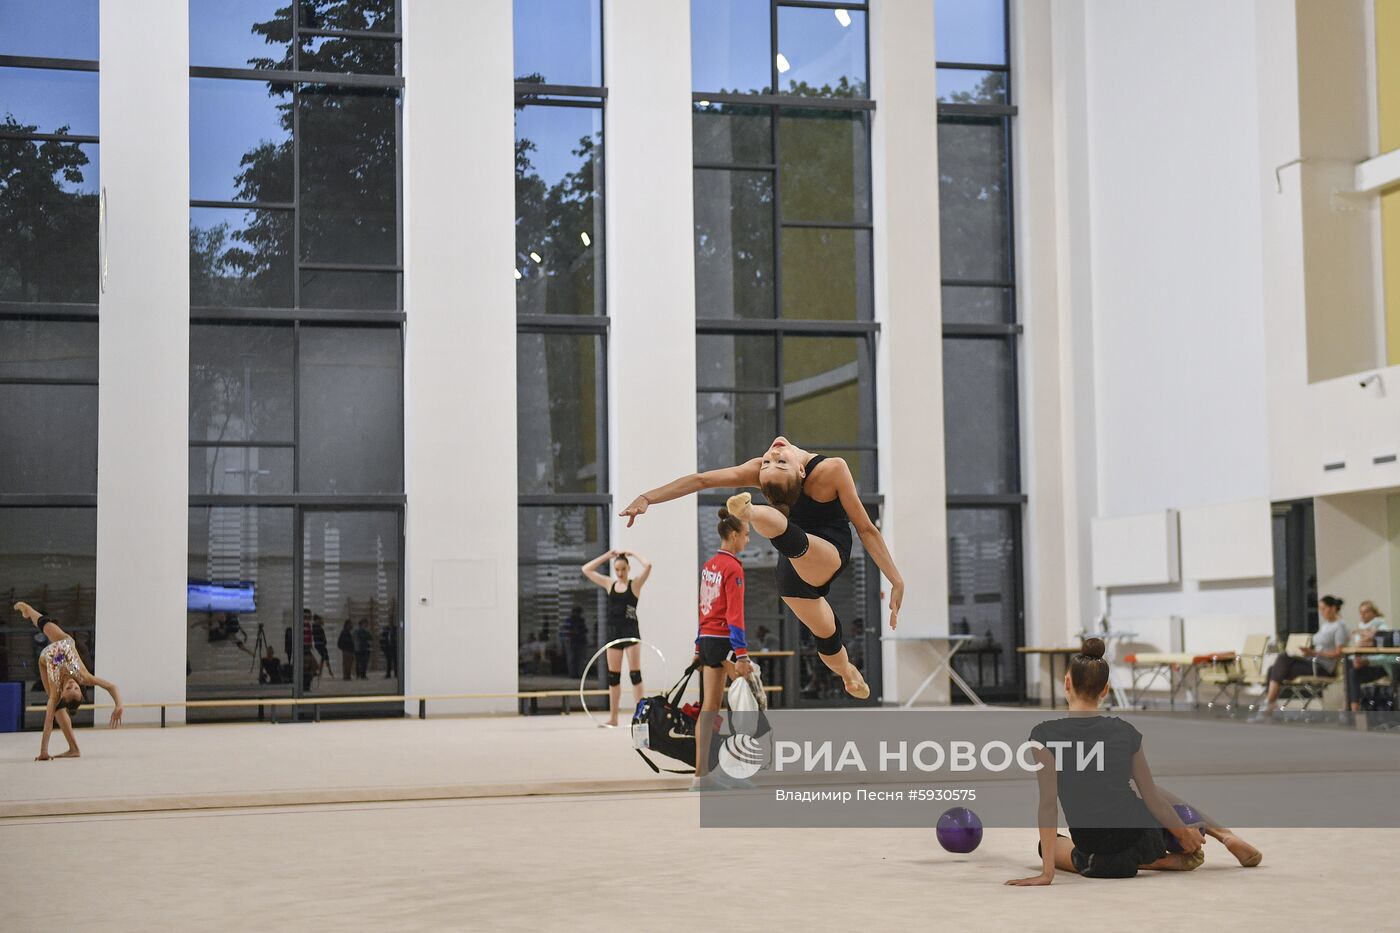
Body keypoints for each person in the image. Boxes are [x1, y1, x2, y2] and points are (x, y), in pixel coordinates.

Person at [621, 436, 904, 699]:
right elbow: (702, 480)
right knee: (827, 637)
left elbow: (866, 529)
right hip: (791, 569)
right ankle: (847, 672)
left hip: (827, 552)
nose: (772, 455)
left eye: (777, 462)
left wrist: (895, 579)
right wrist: (648, 498)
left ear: (802, 473)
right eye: (770, 462)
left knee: (792, 535)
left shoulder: (832, 470)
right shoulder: (763, 468)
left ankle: (751, 513)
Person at [1006, 638, 1261, 885]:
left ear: (1066, 683)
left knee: (1048, 846)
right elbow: (1152, 799)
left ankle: (1162, 862)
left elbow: (1048, 805)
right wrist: (1182, 832)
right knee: (1145, 788)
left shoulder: (1044, 735)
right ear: (1105, 690)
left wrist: (1047, 874)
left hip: (1099, 856)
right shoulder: (1124, 731)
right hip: (1145, 837)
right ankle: (1224, 835)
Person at [691, 507, 753, 790]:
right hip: (724, 640)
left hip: (707, 639)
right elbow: (735, 615)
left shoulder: (710, 565)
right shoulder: (732, 567)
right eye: (746, 535)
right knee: (746, 706)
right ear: (733, 534)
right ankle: (733, 772)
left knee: (710, 708)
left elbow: (704, 606)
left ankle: (702, 776)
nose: (748, 541)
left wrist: (697, 643)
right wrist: (741, 655)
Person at [14, 602, 123, 761]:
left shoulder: (55, 692)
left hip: (45, 662)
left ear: (62, 693)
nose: (72, 685)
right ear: (81, 687)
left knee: (53, 708)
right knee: (45, 623)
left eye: (69, 689)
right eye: (76, 689)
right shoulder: (85, 678)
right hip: (64, 641)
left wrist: (43, 751)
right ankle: (29, 611)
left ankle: (73, 748)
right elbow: (112, 687)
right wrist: (119, 704)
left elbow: (48, 722)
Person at [581, 548, 653, 727]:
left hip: (630, 632)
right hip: (614, 633)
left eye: (623, 569)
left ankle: (640, 717)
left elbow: (648, 565)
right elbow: (586, 569)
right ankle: (613, 717)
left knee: (635, 675)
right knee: (614, 677)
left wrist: (633, 553)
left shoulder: (634, 585)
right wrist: (607, 555)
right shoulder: (609, 584)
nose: (620, 573)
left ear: (628, 569)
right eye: (617, 569)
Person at [1250, 595, 1349, 722]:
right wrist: (1308, 652)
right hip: (1312, 661)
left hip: (1322, 667)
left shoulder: (1340, 626)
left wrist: (1314, 653)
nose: (1321, 612)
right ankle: (1269, 704)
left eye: (1323, 609)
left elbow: (1338, 653)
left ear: (1333, 608)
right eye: (1320, 609)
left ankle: (1268, 705)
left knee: (1279, 663)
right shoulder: (1326, 626)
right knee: (1274, 667)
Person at [1346, 600, 1390, 713]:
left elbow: (1390, 657)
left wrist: (1368, 660)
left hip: (1382, 665)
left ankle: (1351, 708)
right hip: (1371, 662)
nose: (1363, 615)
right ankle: (1353, 708)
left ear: (1374, 613)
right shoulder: (1361, 629)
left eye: (1366, 612)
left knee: (1352, 669)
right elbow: (1359, 645)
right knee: (1351, 668)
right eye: (1361, 612)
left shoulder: (1383, 629)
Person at [559, 606, 589, 680]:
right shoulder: (569, 621)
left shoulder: (581, 621)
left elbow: (585, 630)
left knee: (579, 658)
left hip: (580, 642)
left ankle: (578, 673)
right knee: (572, 658)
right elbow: (565, 631)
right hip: (571, 642)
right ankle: (573, 673)